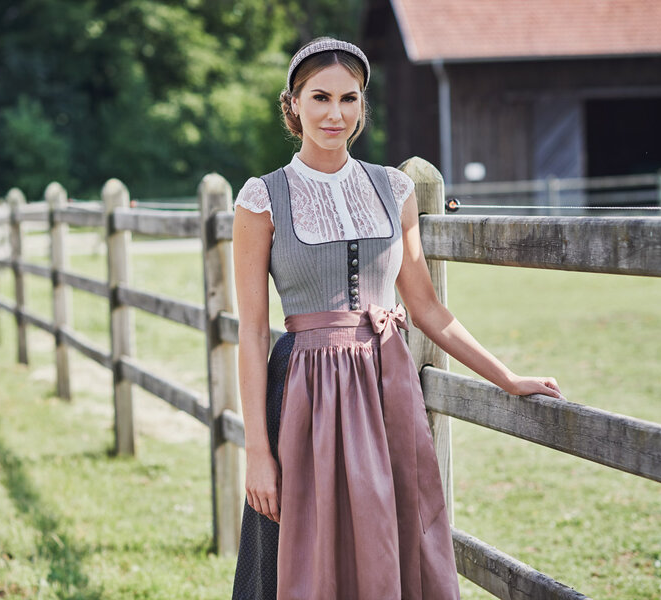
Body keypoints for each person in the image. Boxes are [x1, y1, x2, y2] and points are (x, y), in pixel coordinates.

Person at [230, 37, 563, 600]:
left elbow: (427, 307)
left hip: (385, 387)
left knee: (391, 533)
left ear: (363, 105)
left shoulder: (393, 187)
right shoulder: (262, 198)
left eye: (349, 99)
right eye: (320, 98)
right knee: (304, 544)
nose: (335, 114)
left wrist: (507, 378)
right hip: (302, 394)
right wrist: (258, 453)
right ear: (294, 104)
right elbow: (254, 331)